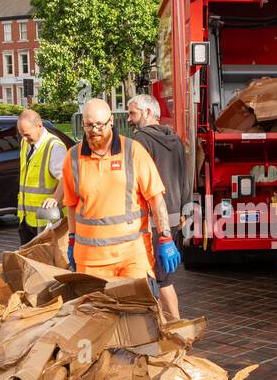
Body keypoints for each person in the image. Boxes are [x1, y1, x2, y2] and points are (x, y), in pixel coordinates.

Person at [48, 98, 179, 289]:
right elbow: (72, 205)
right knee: (97, 317)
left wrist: (165, 236)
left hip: (132, 257)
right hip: (90, 261)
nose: (94, 131)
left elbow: (156, 198)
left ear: (111, 122)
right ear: (83, 124)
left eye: (100, 125)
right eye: (89, 125)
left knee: (138, 314)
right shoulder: (73, 158)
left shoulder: (133, 151)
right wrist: (72, 239)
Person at [126, 94, 190, 320]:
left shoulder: (140, 141)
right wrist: (185, 210)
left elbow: (135, 182)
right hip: (173, 218)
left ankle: (170, 326)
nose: (129, 119)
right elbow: (184, 176)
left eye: (133, 113)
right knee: (164, 277)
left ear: (148, 113)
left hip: (152, 218)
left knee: (153, 277)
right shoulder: (175, 139)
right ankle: (173, 324)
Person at [15, 108, 67, 246]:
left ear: (39, 126)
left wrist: (56, 198)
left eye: (26, 134)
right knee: (27, 261)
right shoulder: (25, 144)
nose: (24, 139)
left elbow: (66, 177)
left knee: (44, 263)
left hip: (46, 220)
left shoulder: (54, 147)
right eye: (21, 135)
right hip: (26, 218)